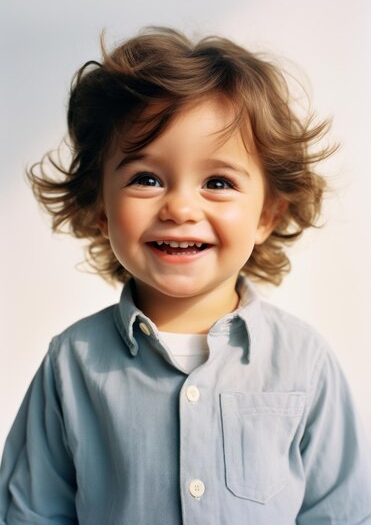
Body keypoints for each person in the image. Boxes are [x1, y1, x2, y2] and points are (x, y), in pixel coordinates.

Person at [1, 28, 370, 524]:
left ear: (266, 215)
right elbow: (31, 513)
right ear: (102, 210)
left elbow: (341, 512)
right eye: (145, 179)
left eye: (217, 182)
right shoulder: (72, 363)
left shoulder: (304, 361)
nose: (179, 206)